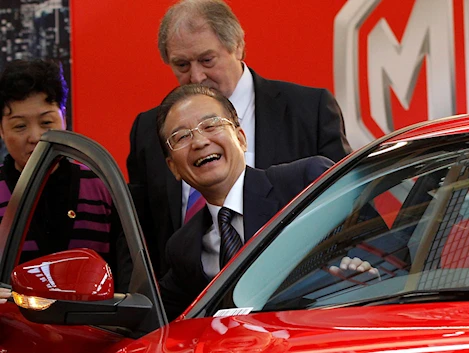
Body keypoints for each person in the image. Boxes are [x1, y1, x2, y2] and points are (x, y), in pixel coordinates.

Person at [127, 0, 352, 278]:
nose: (196, 76)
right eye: (182, 65)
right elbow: (135, 235)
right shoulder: (150, 129)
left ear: (238, 46)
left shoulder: (308, 110)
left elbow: (352, 210)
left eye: (207, 60)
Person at [155, 84, 339, 319]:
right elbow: (161, 322)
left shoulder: (304, 183)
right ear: (173, 168)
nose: (199, 142)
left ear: (241, 139)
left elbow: (381, 251)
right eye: (182, 136)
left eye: (211, 125)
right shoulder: (183, 248)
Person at [0, 59, 128, 290]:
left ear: (64, 117)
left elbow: (125, 275)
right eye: (20, 126)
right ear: (1, 130)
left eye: (47, 122)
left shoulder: (101, 186)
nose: (36, 136)